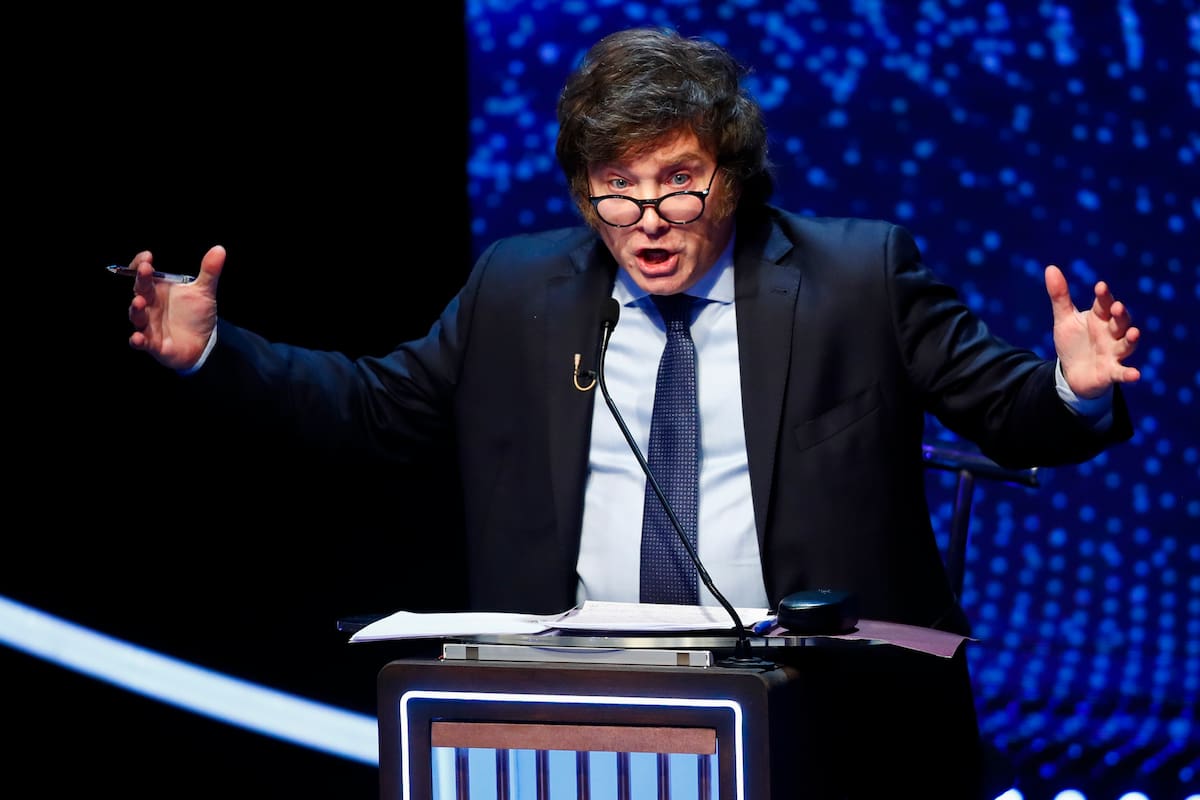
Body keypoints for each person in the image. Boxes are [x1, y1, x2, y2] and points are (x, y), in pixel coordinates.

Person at [119, 26, 1140, 799]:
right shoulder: (517, 290)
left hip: (822, 715)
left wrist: (1073, 386)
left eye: (679, 185)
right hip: (582, 711)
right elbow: (371, 410)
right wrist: (215, 352)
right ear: (581, 191)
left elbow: (1009, 410)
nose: (648, 222)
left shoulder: (856, 273)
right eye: (617, 190)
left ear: (731, 177)